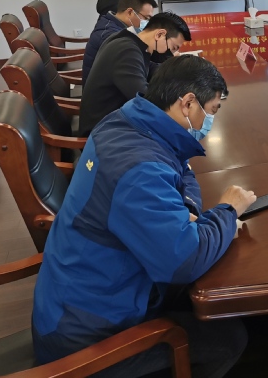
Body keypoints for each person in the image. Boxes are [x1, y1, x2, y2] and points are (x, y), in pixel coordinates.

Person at [33, 55, 256, 377]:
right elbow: (184, 260)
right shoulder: (140, 169)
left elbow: (183, 169)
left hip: (79, 300)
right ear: (187, 103)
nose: (210, 121)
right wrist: (227, 211)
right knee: (230, 339)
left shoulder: (126, 123)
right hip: (88, 342)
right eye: (212, 110)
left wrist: (186, 213)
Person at [79, 11, 191, 136]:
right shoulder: (126, 50)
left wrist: (181, 72)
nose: (172, 53)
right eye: (174, 47)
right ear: (160, 34)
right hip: (102, 133)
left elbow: (153, 70)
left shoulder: (131, 42)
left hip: (114, 122)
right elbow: (144, 99)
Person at [82, 0, 157, 85]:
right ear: (130, 12)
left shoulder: (115, 26)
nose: (147, 23)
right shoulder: (111, 36)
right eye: (146, 18)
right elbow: (133, 73)